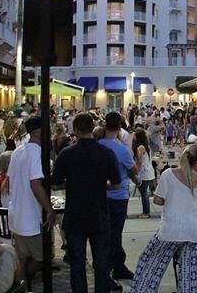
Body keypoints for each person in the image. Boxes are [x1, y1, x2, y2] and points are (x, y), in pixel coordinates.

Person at [51, 113, 121, 293]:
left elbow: (56, 181)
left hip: (75, 215)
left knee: (77, 264)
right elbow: (116, 183)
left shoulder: (67, 154)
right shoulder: (106, 153)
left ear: (75, 130)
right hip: (99, 214)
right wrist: (101, 185)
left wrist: (72, 182)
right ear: (93, 129)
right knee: (101, 264)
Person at [131, 145, 197, 293]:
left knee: (151, 264)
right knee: (189, 274)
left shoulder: (169, 174)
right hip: (195, 231)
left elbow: (158, 200)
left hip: (171, 229)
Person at [7, 116, 55, 291]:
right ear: (40, 132)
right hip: (29, 217)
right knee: (43, 256)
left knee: (22, 257)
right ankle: (22, 281)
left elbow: (8, 180)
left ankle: (23, 285)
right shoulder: (36, 153)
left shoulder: (18, 151)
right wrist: (49, 209)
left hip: (16, 214)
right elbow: (35, 183)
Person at [99, 112, 140, 285]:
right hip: (118, 196)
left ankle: (117, 265)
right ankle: (109, 270)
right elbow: (133, 171)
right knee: (114, 235)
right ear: (120, 127)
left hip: (101, 195)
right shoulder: (122, 150)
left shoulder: (97, 145)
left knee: (108, 234)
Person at [132, 128, 155, 219]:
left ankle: (146, 212)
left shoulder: (140, 148)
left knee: (144, 193)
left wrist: (135, 171)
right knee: (144, 192)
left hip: (143, 172)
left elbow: (139, 161)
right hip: (148, 170)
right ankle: (146, 211)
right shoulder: (146, 146)